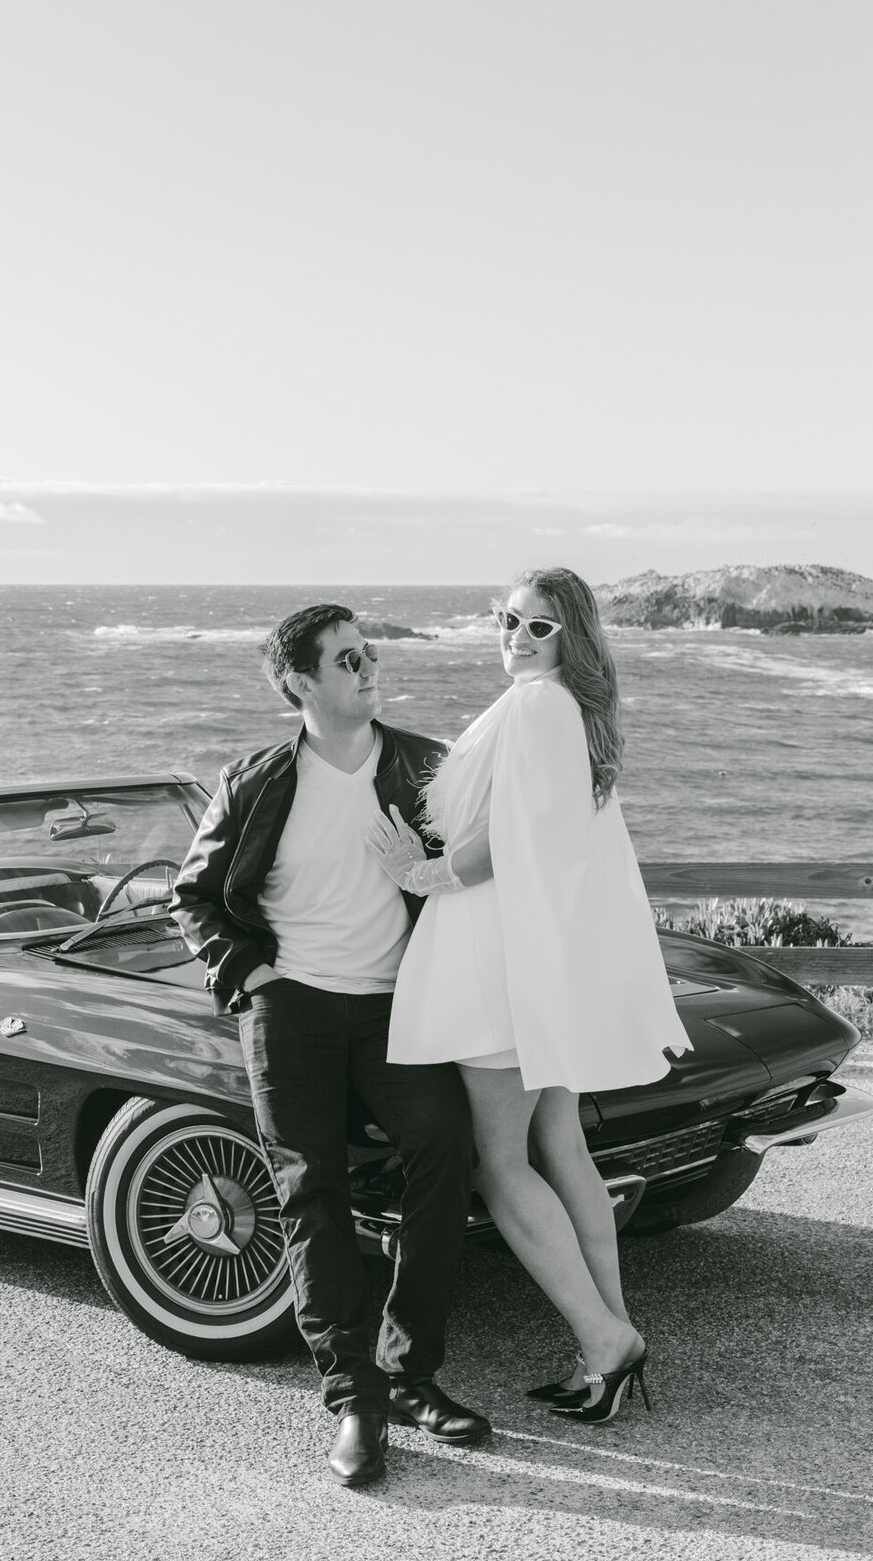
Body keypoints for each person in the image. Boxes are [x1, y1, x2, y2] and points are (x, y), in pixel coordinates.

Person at [172, 604, 491, 1487]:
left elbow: (479, 867)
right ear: (302, 683)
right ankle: (354, 1397)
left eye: (370, 651)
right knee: (312, 1187)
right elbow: (192, 895)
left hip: (398, 1004)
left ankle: (411, 1371)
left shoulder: (426, 764)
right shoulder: (255, 780)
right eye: (349, 658)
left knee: (442, 1146)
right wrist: (249, 974)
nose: (370, 664)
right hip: (293, 1010)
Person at [367, 567, 691, 1426]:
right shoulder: (567, 710)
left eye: (538, 627)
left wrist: (419, 873)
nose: (515, 636)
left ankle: (607, 1339)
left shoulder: (539, 706)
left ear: (570, 638)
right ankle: (607, 1342)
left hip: (498, 956)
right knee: (559, 1141)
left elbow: (512, 839)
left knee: (501, 1163)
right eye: (507, 618)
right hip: (534, 955)